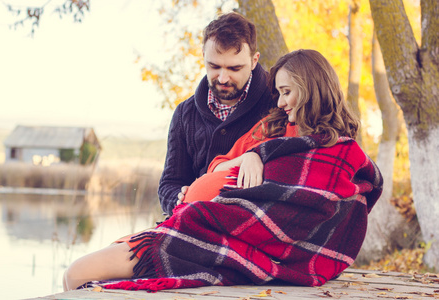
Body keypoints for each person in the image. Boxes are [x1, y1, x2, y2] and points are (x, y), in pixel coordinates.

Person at [62, 49, 383, 292]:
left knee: (78, 272)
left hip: (215, 238)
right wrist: (251, 156)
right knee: (74, 274)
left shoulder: (337, 154)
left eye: (287, 92)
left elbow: (298, 218)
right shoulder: (274, 129)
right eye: (279, 92)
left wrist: (206, 212)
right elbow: (218, 167)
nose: (282, 102)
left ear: (312, 88)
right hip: (191, 227)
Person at [158, 12, 274, 215]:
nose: (222, 78)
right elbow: (170, 183)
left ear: (254, 60)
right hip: (196, 224)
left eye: (234, 68)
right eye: (214, 66)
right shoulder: (185, 114)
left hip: (257, 224)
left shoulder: (278, 101)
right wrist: (179, 199)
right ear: (203, 55)